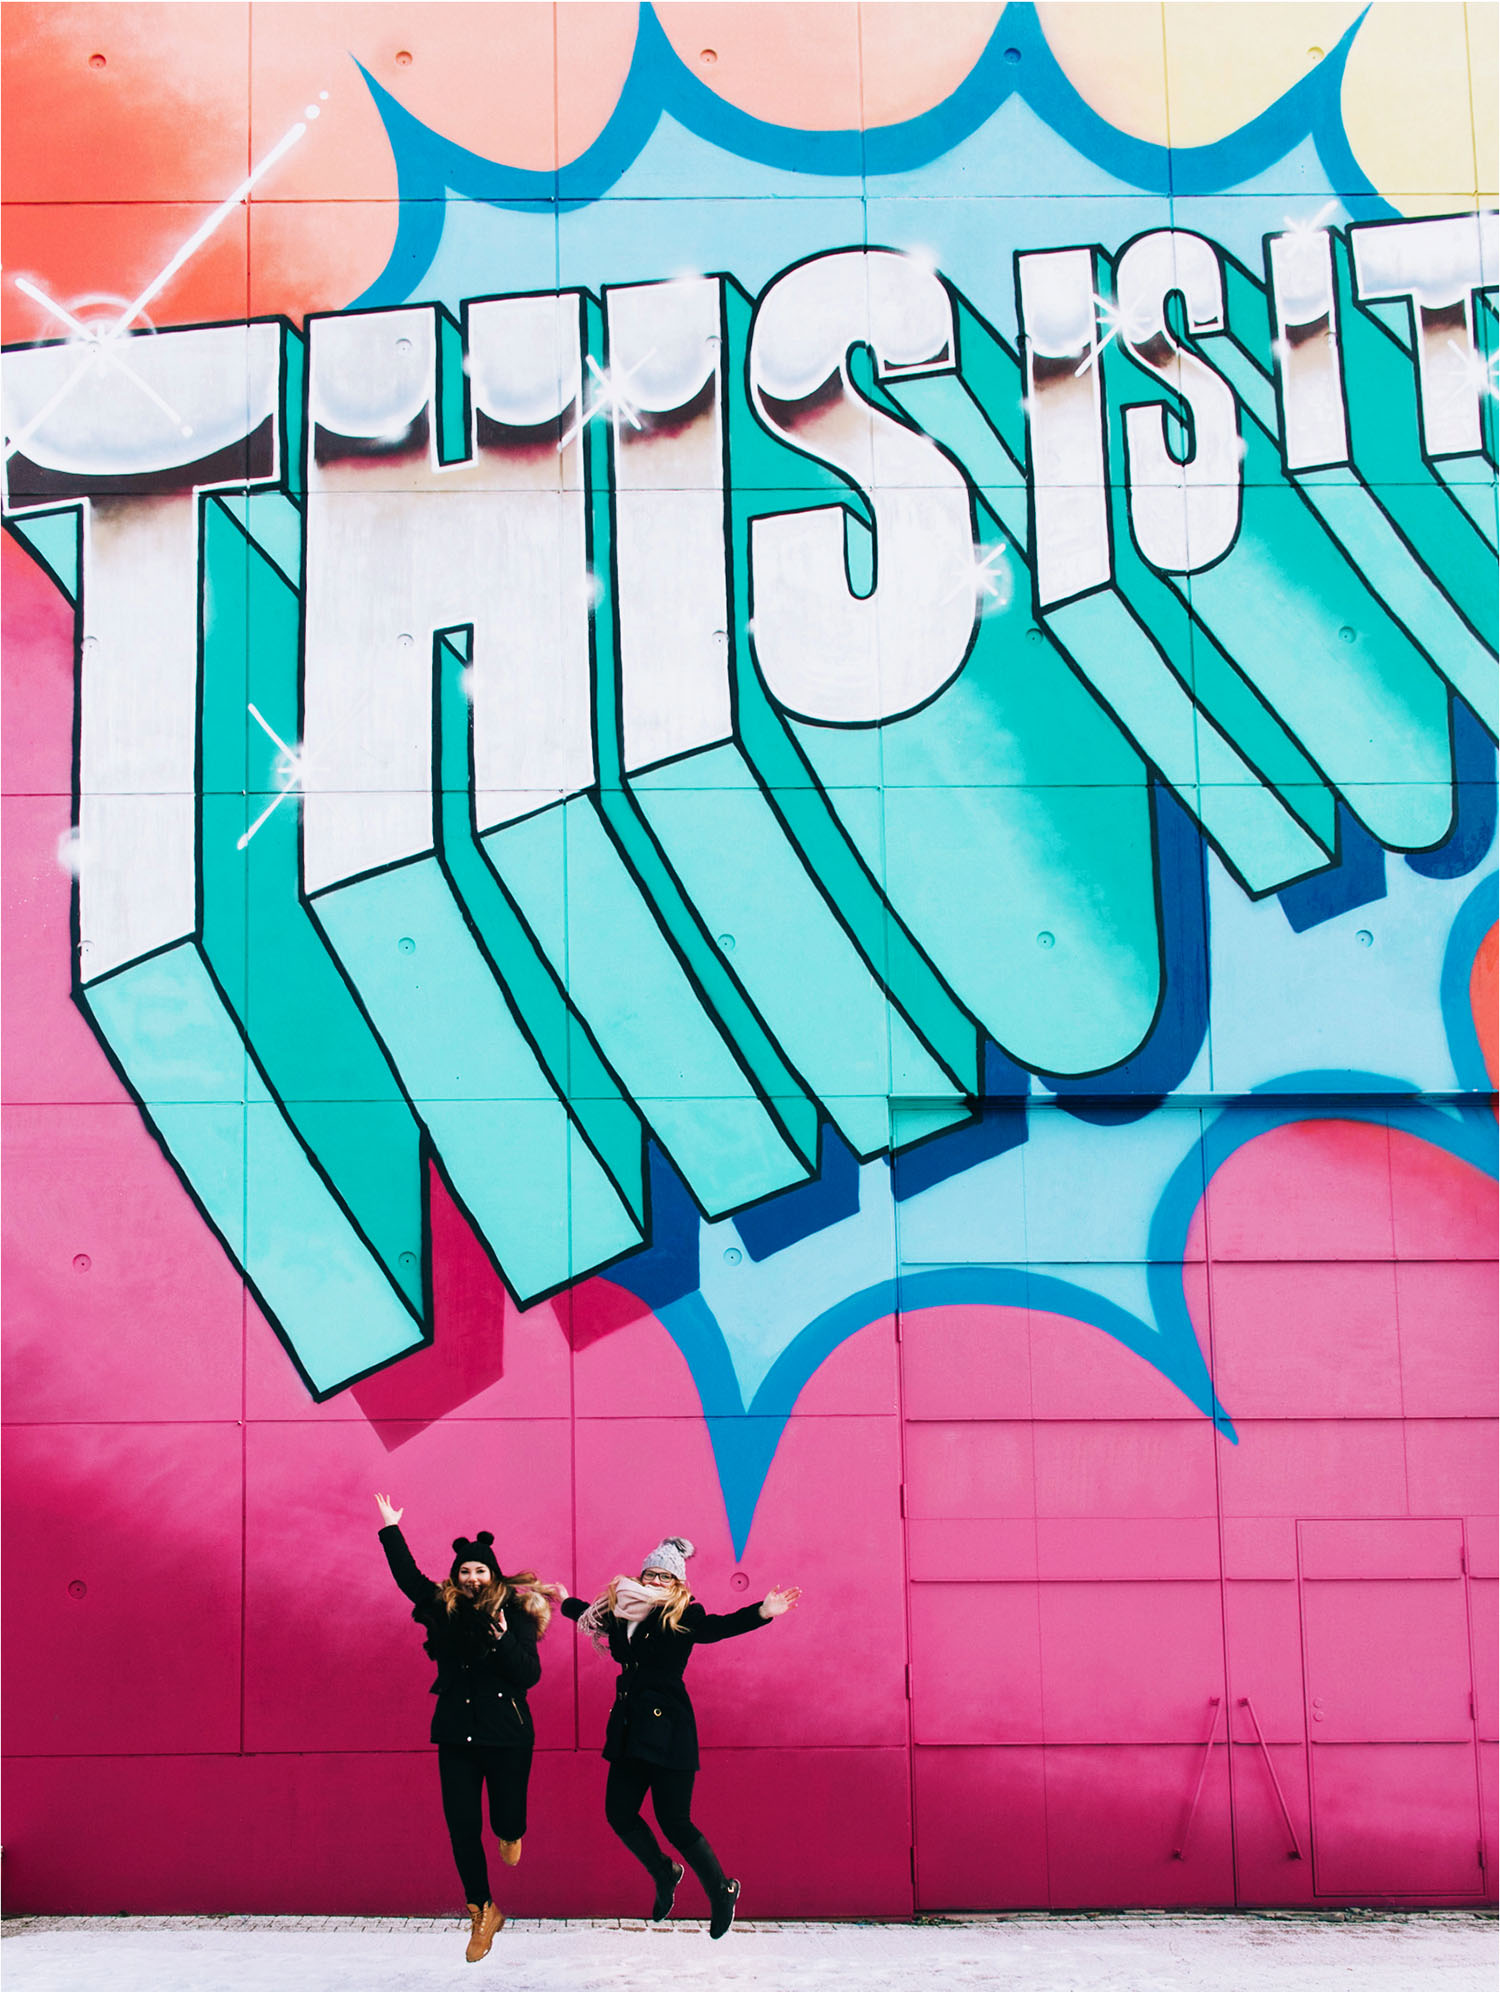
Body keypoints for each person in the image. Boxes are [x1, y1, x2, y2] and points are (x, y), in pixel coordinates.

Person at [559, 1535, 801, 1938]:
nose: (654, 1581)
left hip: (669, 1729)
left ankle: (721, 1891)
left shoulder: (684, 1615)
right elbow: (592, 1616)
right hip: (629, 1728)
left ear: (677, 1585)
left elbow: (718, 1628)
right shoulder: (622, 1612)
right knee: (619, 1813)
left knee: (675, 1821)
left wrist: (762, 1611)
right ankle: (665, 1872)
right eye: (650, 1574)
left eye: (664, 1577)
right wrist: (565, 1600)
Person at [373, 1491, 554, 1964]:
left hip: (508, 1733)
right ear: (456, 1576)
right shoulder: (444, 1608)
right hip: (456, 1731)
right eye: (465, 1571)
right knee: (461, 1827)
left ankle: (511, 1832)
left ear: (493, 1574)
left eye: (480, 1570)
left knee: (505, 1819)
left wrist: (499, 1641)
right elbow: (409, 1579)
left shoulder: (516, 1613)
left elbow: (528, 1676)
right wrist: (391, 1528)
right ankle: (482, 1910)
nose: (472, 1578)